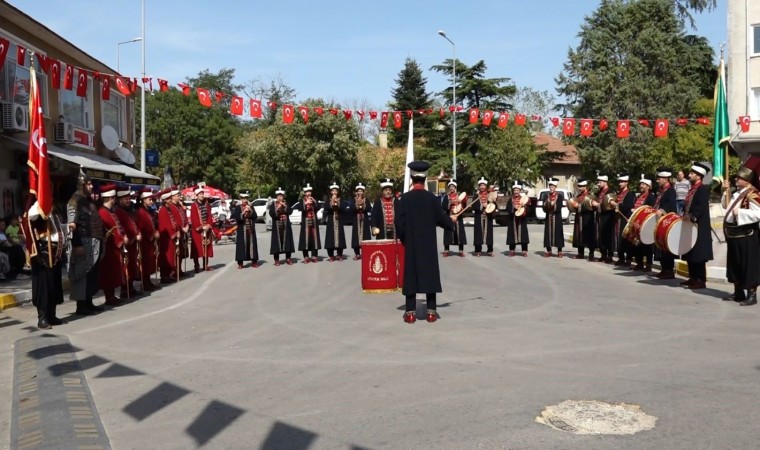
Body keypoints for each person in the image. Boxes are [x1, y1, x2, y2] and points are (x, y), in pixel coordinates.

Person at [396, 161, 454, 324]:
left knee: (411, 275)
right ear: (425, 178)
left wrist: (405, 238)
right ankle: (431, 313)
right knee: (429, 275)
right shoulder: (432, 199)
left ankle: (410, 313)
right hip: (428, 243)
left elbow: (398, 222)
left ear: (412, 178)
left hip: (412, 243)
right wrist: (451, 222)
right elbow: (442, 219)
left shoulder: (404, 199)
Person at [22, 199, 66, 329]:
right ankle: (42, 318)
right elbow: (31, 216)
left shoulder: (53, 214)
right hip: (43, 254)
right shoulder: (37, 212)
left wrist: (67, 227)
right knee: (43, 287)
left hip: (55, 254)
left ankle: (51, 316)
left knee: (53, 285)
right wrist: (40, 203)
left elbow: (57, 231)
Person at [66, 171, 104, 315]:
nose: (91, 186)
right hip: (82, 242)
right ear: (81, 185)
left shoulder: (88, 201)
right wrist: (77, 244)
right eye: (88, 184)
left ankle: (88, 302)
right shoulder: (74, 201)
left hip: (92, 243)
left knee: (91, 275)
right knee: (82, 275)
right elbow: (72, 225)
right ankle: (81, 305)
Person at [722, 166, 760, 305]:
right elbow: (726, 207)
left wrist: (742, 213)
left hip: (747, 236)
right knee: (735, 264)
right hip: (734, 235)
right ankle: (738, 292)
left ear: (747, 180)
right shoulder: (736, 193)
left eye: (739, 178)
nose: (736, 179)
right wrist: (725, 191)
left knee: (748, 265)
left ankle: (752, 295)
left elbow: (758, 214)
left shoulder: (753, 194)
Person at [681, 162, 713, 290]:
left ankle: (701, 280)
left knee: (699, 254)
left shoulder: (702, 189)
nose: (689, 175)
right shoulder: (692, 189)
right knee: (690, 252)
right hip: (690, 225)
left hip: (699, 225)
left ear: (699, 176)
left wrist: (692, 215)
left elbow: (700, 206)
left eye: (692, 173)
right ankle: (692, 277)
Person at [97, 184, 127, 306]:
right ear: (111, 198)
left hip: (114, 248)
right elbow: (110, 231)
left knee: (114, 272)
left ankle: (112, 295)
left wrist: (123, 235)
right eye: (114, 198)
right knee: (109, 273)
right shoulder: (103, 213)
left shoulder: (110, 212)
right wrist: (120, 240)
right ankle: (109, 296)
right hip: (109, 248)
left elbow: (118, 227)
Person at [114, 186, 140, 299]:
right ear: (120, 200)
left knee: (132, 266)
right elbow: (121, 228)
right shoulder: (119, 212)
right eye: (126, 199)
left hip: (133, 242)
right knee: (126, 267)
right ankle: (125, 289)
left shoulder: (129, 211)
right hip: (127, 244)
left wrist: (137, 233)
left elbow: (133, 224)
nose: (128, 201)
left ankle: (130, 287)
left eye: (129, 199)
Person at [652, 168, 677, 279]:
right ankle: (663, 269)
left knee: (666, 247)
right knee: (660, 247)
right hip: (659, 221)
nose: (657, 181)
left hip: (666, 222)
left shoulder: (670, 191)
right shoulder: (661, 191)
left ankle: (669, 270)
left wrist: (662, 210)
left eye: (659, 178)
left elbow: (671, 206)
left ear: (666, 179)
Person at [134, 187, 159, 291]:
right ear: (144, 200)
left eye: (152, 199)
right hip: (145, 241)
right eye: (149, 199)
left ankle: (148, 281)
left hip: (150, 241)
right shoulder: (140, 212)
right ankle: (145, 282)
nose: (151, 201)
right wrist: (152, 235)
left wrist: (156, 231)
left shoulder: (149, 211)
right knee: (144, 263)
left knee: (149, 262)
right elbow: (141, 227)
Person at [630, 176, 656, 272]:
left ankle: (648, 264)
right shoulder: (637, 197)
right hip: (636, 224)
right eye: (641, 184)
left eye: (643, 185)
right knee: (637, 244)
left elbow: (651, 210)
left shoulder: (651, 197)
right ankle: (639, 263)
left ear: (648, 187)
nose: (641, 186)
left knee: (647, 245)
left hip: (646, 224)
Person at [293, 184, 322, 263]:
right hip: (305, 224)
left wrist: (314, 202)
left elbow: (318, 207)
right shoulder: (302, 201)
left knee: (314, 239)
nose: (308, 193)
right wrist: (306, 203)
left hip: (314, 223)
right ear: (305, 193)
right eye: (307, 192)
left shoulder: (314, 199)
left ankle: (314, 256)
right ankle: (306, 257)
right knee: (305, 240)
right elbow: (299, 208)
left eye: (309, 192)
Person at [157, 188, 181, 283]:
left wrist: (177, 230)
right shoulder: (163, 210)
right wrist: (174, 234)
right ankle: (164, 276)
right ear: (166, 199)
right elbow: (165, 225)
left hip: (171, 237)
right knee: (166, 257)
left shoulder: (168, 209)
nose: (171, 199)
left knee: (171, 256)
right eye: (169, 198)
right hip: (166, 238)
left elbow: (173, 221)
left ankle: (168, 274)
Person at [611, 174, 636, 266]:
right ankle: (621, 257)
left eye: (622, 182)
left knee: (626, 239)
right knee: (619, 239)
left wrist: (617, 205)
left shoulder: (630, 194)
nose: (620, 183)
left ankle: (628, 259)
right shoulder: (618, 194)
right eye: (619, 182)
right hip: (618, 219)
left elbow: (628, 206)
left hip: (625, 219)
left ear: (626, 183)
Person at [190, 185, 215, 272]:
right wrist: (201, 227)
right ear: (196, 195)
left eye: (202, 194)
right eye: (200, 194)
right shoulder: (194, 205)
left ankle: (205, 265)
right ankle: (196, 265)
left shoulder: (207, 204)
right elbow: (194, 218)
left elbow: (209, 216)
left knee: (206, 247)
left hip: (207, 228)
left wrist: (209, 225)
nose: (202, 195)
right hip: (197, 230)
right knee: (196, 248)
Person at [570, 179, 597, 260]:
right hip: (579, 217)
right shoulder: (578, 197)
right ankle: (580, 253)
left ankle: (591, 253)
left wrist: (579, 206)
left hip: (588, 218)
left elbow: (591, 207)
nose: (580, 188)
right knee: (579, 235)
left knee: (589, 236)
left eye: (581, 186)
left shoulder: (590, 196)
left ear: (585, 186)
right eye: (579, 186)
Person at [232, 192, 259, 268]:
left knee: (252, 245)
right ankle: (240, 263)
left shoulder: (251, 206)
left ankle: (254, 261)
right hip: (242, 228)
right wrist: (243, 213)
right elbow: (236, 217)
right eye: (243, 198)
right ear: (241, 199)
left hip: (250, 228)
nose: (245, 200)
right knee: (241, 245)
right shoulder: (238, 207)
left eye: (246, 198)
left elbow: (255, 217)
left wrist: (250, 210)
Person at [592, 175, 616, 263]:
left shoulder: (611, 191)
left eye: (600, 182)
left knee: (608, 236)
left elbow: (609, 204)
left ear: (605, 182)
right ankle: (603, 254)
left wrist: (598, 205)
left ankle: (609, 255)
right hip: (600, 215)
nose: (598, 184)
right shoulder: (599, 192)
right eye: (598, 182)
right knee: (601, 235)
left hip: (608, 216)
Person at [269, 188, 295, 266]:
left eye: (281, 196)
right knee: (276, 243)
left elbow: (290, 211)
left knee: (287, 241)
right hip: (277, 226)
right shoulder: (273, 204)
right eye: (278, 196)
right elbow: (272, 214)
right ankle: (276, 259)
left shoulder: (286, 203)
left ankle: (288, 258)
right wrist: (278, 208)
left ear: (283, 197)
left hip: (286, 225)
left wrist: (284, 206)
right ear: (276, 197)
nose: (280, 197)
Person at [441, 180, 467, 257]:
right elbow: (443, 206)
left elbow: (464, 205)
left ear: (455, 188)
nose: (451, 188)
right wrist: (450, 203)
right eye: (450, 187)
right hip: (449, 216)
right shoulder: (446, 196)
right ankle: (446, 250)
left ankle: (461, 251)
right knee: (448, 233)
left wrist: (461, 202)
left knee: (459, 233)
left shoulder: (459, 196)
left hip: (458, 217)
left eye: (453, 187)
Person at [346, 183, 370, 260]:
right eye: (358, 191)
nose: (360, 192)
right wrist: (357, 205)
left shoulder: (366, 200)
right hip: (356, 220)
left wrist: (363, 205)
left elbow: (369, 208)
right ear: (356, 192)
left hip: (364, 220)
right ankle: (357, 254)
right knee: (356, 237)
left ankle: (365, 253)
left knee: (365, 236)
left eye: (361, 191)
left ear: (363, 192)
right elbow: (351, 209)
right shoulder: (353, 200)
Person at [323, 183, 347, 261]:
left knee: (340, 237)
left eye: (335, 191)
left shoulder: (341, 199)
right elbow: (326, 208)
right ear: (331, 192)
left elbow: (343, 207)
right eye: (333, 191)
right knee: (330, 238)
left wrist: (338, 203)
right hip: (331, 220)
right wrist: (332, 202)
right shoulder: (328, 200)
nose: (334, 192)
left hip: (338, 220)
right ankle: (331, 255)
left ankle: (339, 254)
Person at [542, 178, 565, 257]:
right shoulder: (546, 196)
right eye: (550, 187)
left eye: (553, 187)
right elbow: (543, 207)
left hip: (557, 217)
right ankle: (549, 250)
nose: (551, 188)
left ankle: (560, 251)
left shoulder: (559, 196)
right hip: (548, 217)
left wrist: (553, 205)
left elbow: (559, 207)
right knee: (548, 234)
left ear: (555, 187)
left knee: (558, 233)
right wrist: (548, 204)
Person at [472, 178, 495, 257]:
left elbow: (494, 205)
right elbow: (473, 205)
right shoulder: (476, 195)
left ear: (486, 186)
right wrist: (482, 205)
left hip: (488, 216)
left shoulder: (490, 195)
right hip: (479, 216)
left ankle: (490, 250)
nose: (482, 187)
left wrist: (488, 205)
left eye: (483, 185)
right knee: (478, 233)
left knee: (489, 233)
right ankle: (478, 250)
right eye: (481, 185)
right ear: (479, 186)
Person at [506, 181, 530, 257]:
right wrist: (513, 208)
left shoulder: (524, 199)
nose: (516, 192)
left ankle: (524, 250)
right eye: (515, 190)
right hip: (513, 219)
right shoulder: (511, 200)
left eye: (517, 190)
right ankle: (512, 250)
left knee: (523, 235)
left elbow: (529, 209)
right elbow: (508, 209)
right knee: (512, 235)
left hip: (521, 220)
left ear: (520, 191)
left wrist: (524, 206)